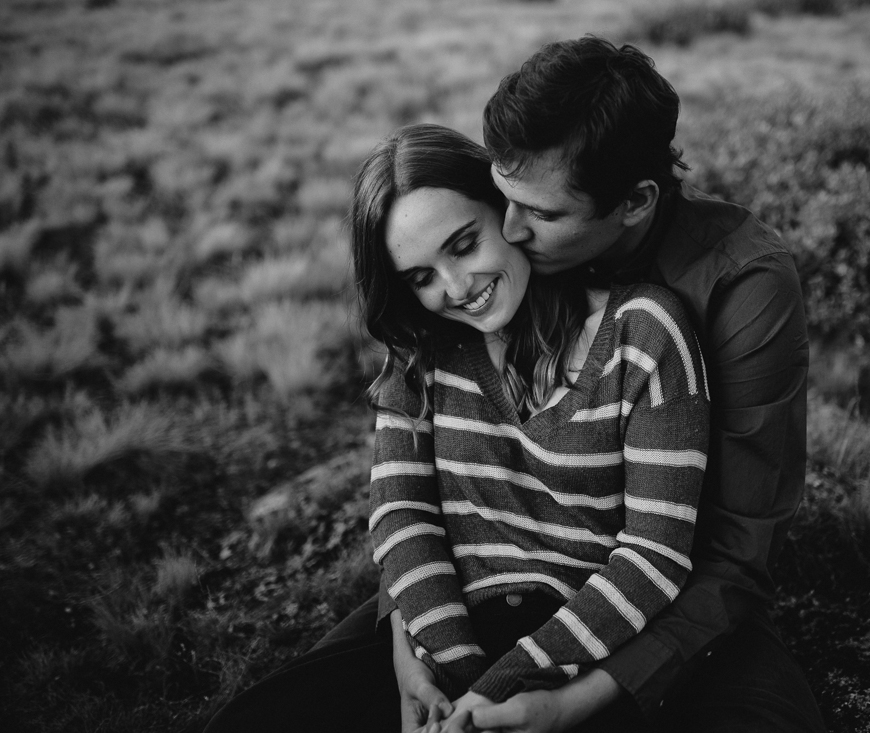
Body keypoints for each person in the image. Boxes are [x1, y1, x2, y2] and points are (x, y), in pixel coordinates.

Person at [204, 123, 710, 733]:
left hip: (577, 643)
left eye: (464, 244)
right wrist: (437, 668)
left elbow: (655, 554)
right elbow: (402, 515)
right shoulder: (423, 351)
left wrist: (501, 690)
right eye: (419, 277)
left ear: (506, 208)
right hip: (441, 625)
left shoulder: (642, 335)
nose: (455, 288)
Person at [393, 37, 826, 733]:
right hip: (494, 576)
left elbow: (737, 555)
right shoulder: (508, 250)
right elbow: (420, 471)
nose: (507, 229)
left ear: (634, 202)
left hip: (670, 589)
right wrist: (408, 640)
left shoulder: (745, 286)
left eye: (542, 213)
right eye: (503, 197)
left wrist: (580, 701)